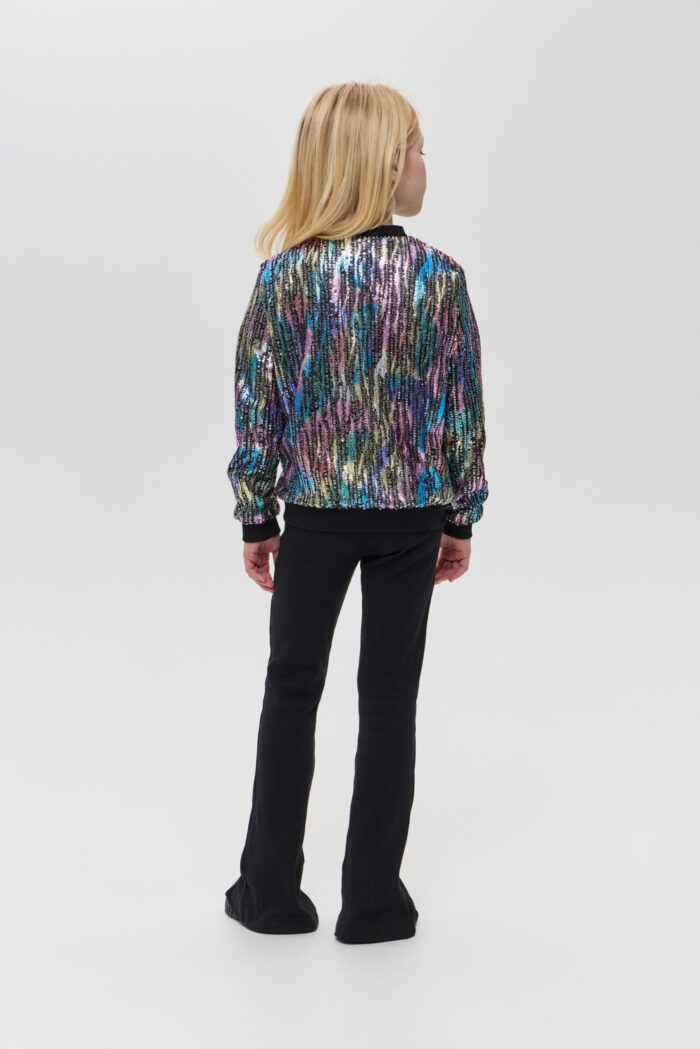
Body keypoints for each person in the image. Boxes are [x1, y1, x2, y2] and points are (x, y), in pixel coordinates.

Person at [224, 81, 489, 944]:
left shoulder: (286, 277)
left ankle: (268, 890)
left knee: (291, 687)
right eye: (417, 149)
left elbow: (258, 402)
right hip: (412, 518)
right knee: (389, 701)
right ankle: (373, 901)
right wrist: (460, 515)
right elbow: (461, 410)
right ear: (384, 164)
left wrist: (257, 515)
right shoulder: (438, 278)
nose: (425, 165)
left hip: (316, 515)